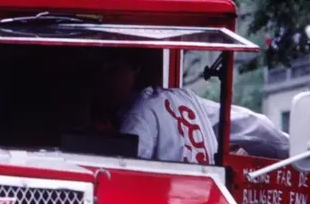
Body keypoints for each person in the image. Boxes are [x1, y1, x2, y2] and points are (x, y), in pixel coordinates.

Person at [97, 50, 290, 162]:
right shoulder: (183, 97)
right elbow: (256, 126)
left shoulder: (138, 118)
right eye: (102, 72)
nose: (107, 80)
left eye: (114, 69)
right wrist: (294, 149)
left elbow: (127, 174)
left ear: (135, 69)